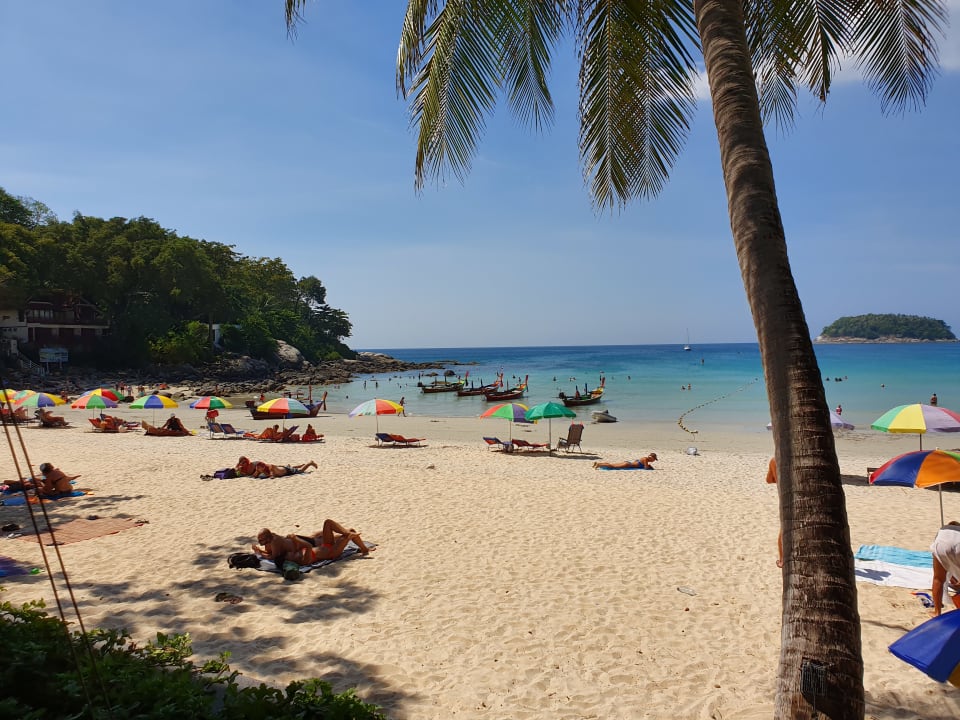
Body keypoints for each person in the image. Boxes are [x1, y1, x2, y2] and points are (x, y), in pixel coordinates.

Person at [930, 521, 960, 616]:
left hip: (940, 543)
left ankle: (937, 612)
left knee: (938, 579)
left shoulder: (942, 531)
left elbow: (946, 565)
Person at [766, 457, 783, 568]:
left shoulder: (774, 460)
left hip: (785, 499)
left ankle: (782, 559)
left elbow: (769, 480)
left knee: (784, 529)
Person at [235, 456, 317, 478]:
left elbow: (271, 466)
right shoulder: (246, 468)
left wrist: (271, 474)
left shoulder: (261, 466)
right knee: (285, 466)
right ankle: (299, 465)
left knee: (300, 471)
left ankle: (310, 463)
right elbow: (253, 475)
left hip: (285, 471)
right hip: (282, 470)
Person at [593, 453, 657, 470]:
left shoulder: (643, 458)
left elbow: (636, 462)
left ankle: (598, 463)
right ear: (651, 458)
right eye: (654, 459)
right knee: (613, 466)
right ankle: (599, 465)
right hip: (628, 465)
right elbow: (646, 468)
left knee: (613, 464)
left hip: (628, 463)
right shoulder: (645, 459)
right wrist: (649, 466)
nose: (654, 460)